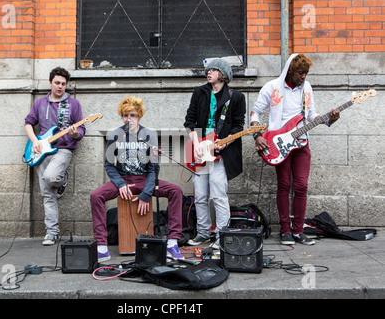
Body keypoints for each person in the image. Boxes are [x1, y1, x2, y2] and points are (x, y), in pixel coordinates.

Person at [250, 53, 340, 246]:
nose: (303, 77)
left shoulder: (306, 88)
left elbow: (311, 115)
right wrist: (257, 136)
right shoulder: (272, 87)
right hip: (278, 144)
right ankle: (285, 231)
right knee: (283, 185)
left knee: (301, 186)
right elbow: (255, 111)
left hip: (301, 143)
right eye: (301, 73)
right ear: (291, 71)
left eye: (306, 73)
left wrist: (327, 120)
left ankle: (298, 231)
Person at [90, 96, 184, 262]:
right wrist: (120, 184)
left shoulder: (149, 135)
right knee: (96, 195)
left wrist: (146, 194)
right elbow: (109, 165)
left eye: (132, 115)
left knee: (175, 190)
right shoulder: (115, 135)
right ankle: (102, 246)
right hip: (122, 180)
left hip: (144, 180)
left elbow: (154, 168)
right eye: (125, 116)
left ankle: (172, 242)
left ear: (139, 116)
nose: (129, 119)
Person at [184, 58, 246, 248]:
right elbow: (190, 121)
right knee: (201, 195)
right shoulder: (199, 92)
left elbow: (238, 126)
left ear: (224, 74)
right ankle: (203, 232)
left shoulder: (236, 97)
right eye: (207, 70)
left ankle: (221, 236)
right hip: (200, 151)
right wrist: (197, 144)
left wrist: (225, 143)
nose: (208, 72)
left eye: (213, 69)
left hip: (221, 154)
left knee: (218, 195)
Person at [24, 67, 86, 246]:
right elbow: (28, 124)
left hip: (64, 149)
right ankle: (52, 233)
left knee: (51, 177)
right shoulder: (39, 103)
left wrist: (75, 134)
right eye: (57, 83)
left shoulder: (73, 104)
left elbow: (81, 130)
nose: (60, 87)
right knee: (47, 194)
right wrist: (35, 140)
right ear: (50, 83)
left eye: (63, 84)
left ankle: (61, 178)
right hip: (41, 151)